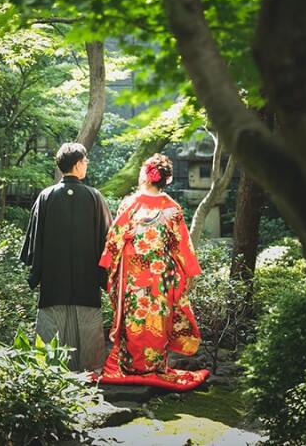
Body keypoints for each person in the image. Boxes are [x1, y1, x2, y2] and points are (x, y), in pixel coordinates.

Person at [96, 153, 209, 390]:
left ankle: (131, 365)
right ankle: (155, 365)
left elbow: (115, 238)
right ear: (164, 179)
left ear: (146, 176)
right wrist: (187, 273)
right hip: (161, 274)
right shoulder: (172, 208)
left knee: (135, 316)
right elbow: (181, 245)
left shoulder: (130, 203)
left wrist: (114, 256)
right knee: (156, 316)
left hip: (133, 273)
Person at [19, 142, 112, 372]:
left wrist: (37, 269)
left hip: (53, 276)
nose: (86, 164)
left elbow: (35, 239)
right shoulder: (94, 197)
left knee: (53, 324)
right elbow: (108, 240)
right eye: (85, 161)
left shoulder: (46, 196)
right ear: (78, 164)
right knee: (87, 322)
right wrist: (105, 275)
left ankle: (51, 370)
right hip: (87, 277)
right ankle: (90, 370)